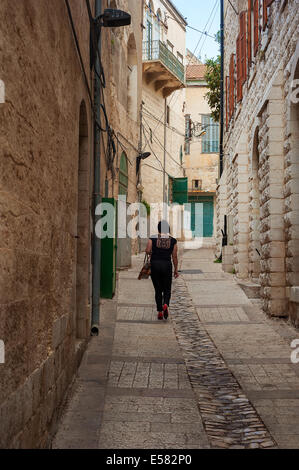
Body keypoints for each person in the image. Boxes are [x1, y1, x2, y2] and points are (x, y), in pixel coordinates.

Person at [146, 220, 179, 321]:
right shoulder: (173, 241)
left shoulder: (152, 238)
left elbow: (147, 250)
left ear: (158, 228)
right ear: (168, 229)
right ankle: (165, 304)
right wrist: (176, 270)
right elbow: (174, 257)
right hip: (167, 266)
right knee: (167, 288)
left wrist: (151, 252)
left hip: (155, 265)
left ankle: (160, 311)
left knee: (158, 289)